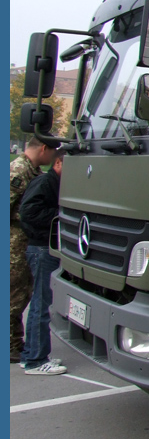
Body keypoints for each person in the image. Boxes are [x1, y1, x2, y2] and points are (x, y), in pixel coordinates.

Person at [10, 137, 58, 363]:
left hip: (22, 241)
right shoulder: (20, 170)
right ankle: (12, 345)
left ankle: (16, 345)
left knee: (23, 295)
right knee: (14, 296)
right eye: (53, 152)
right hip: (15, 242)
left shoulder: (33, 170)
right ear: (43, 148)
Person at [19, 152, 66, 375]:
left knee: (40, 302)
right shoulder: (46, 182)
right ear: (58, 163)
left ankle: (31, 354)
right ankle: (36, 360)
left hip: (44, 247)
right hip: (41, 247)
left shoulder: (52, 182)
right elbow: (28, 211)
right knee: (41, 304)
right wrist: (61, 215)